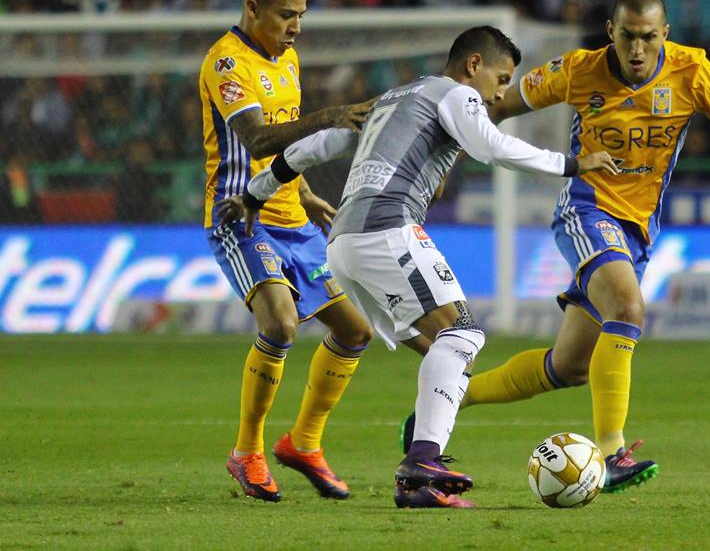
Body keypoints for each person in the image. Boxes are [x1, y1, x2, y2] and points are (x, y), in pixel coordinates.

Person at [402, 0, 710, 494]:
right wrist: (444, 164)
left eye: (648, 38)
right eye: (627, 36)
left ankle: (448, 400)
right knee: (628, 308)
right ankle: (612, 453)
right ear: (611, 31)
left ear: (665, 35)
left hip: (638, 230)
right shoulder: (577, 69)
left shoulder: (693, 73)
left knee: (568, 368)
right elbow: (493, 108)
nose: (637, 49)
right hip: (586, 211)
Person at [232, 26, 618, 508]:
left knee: (449, 349)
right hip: (386, 229)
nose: (501, 92)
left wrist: (254, 193)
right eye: (500, 78)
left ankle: (418, 485)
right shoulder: (456, 94)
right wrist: (572, 165)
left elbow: (312, 148)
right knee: (464, 335)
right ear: (473, 65)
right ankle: (421, 458)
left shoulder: (394, 97)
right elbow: (491, 147)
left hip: (346, 243)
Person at [201, 0, 376, 503]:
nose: (296, 26)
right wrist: (332, 116)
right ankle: (247, 451)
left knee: (354, 331)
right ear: (252, 8)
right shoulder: (227, 62)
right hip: (241, 216)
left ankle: (303, 443)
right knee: (279, 323)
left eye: (300, 15)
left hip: (292, 219)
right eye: (285, 15)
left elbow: (281, 149)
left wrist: (300, 191)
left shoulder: (288, 58)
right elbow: (256, 140)